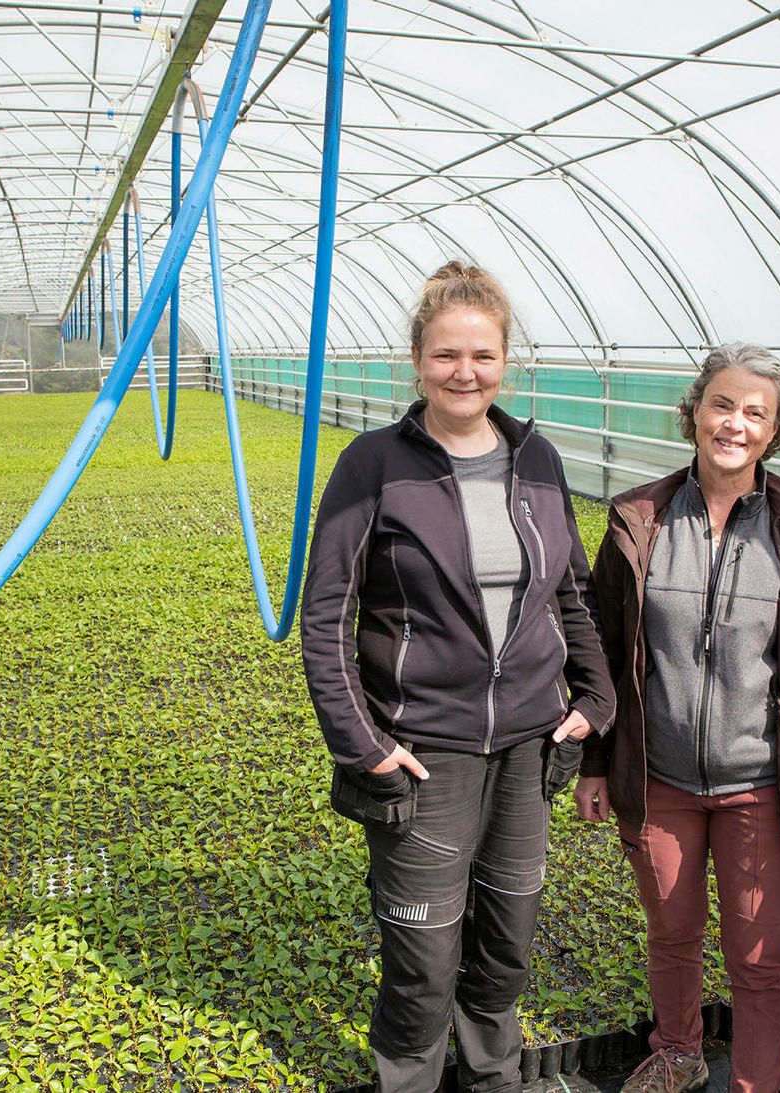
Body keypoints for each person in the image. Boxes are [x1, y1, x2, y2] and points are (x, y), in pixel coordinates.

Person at [301, 261, 616, 1092]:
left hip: (527, 745)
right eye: (446, 355)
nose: (465, 372)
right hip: (421, 749)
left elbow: (572, 592)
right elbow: (327, 619)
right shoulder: (372, 465)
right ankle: (407, 1076)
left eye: (481, 354)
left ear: (505, 359)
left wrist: (596, 696)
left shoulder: (536, 458)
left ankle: (492, 1078)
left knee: (507, 939)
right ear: (417, 359)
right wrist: (363, 745)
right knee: (421, 955)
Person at [577, 343, 780, 1093]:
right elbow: (605, 650)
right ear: (695, 412)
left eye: (754, 412)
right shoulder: (640, 518)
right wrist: (598, 763)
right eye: (722, 404)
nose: (734, 423)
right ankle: (676, 1051)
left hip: (763, 784)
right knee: (672, 932)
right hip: (661, 776)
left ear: (776, 430)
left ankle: (755, 1083)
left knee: (759, 955)